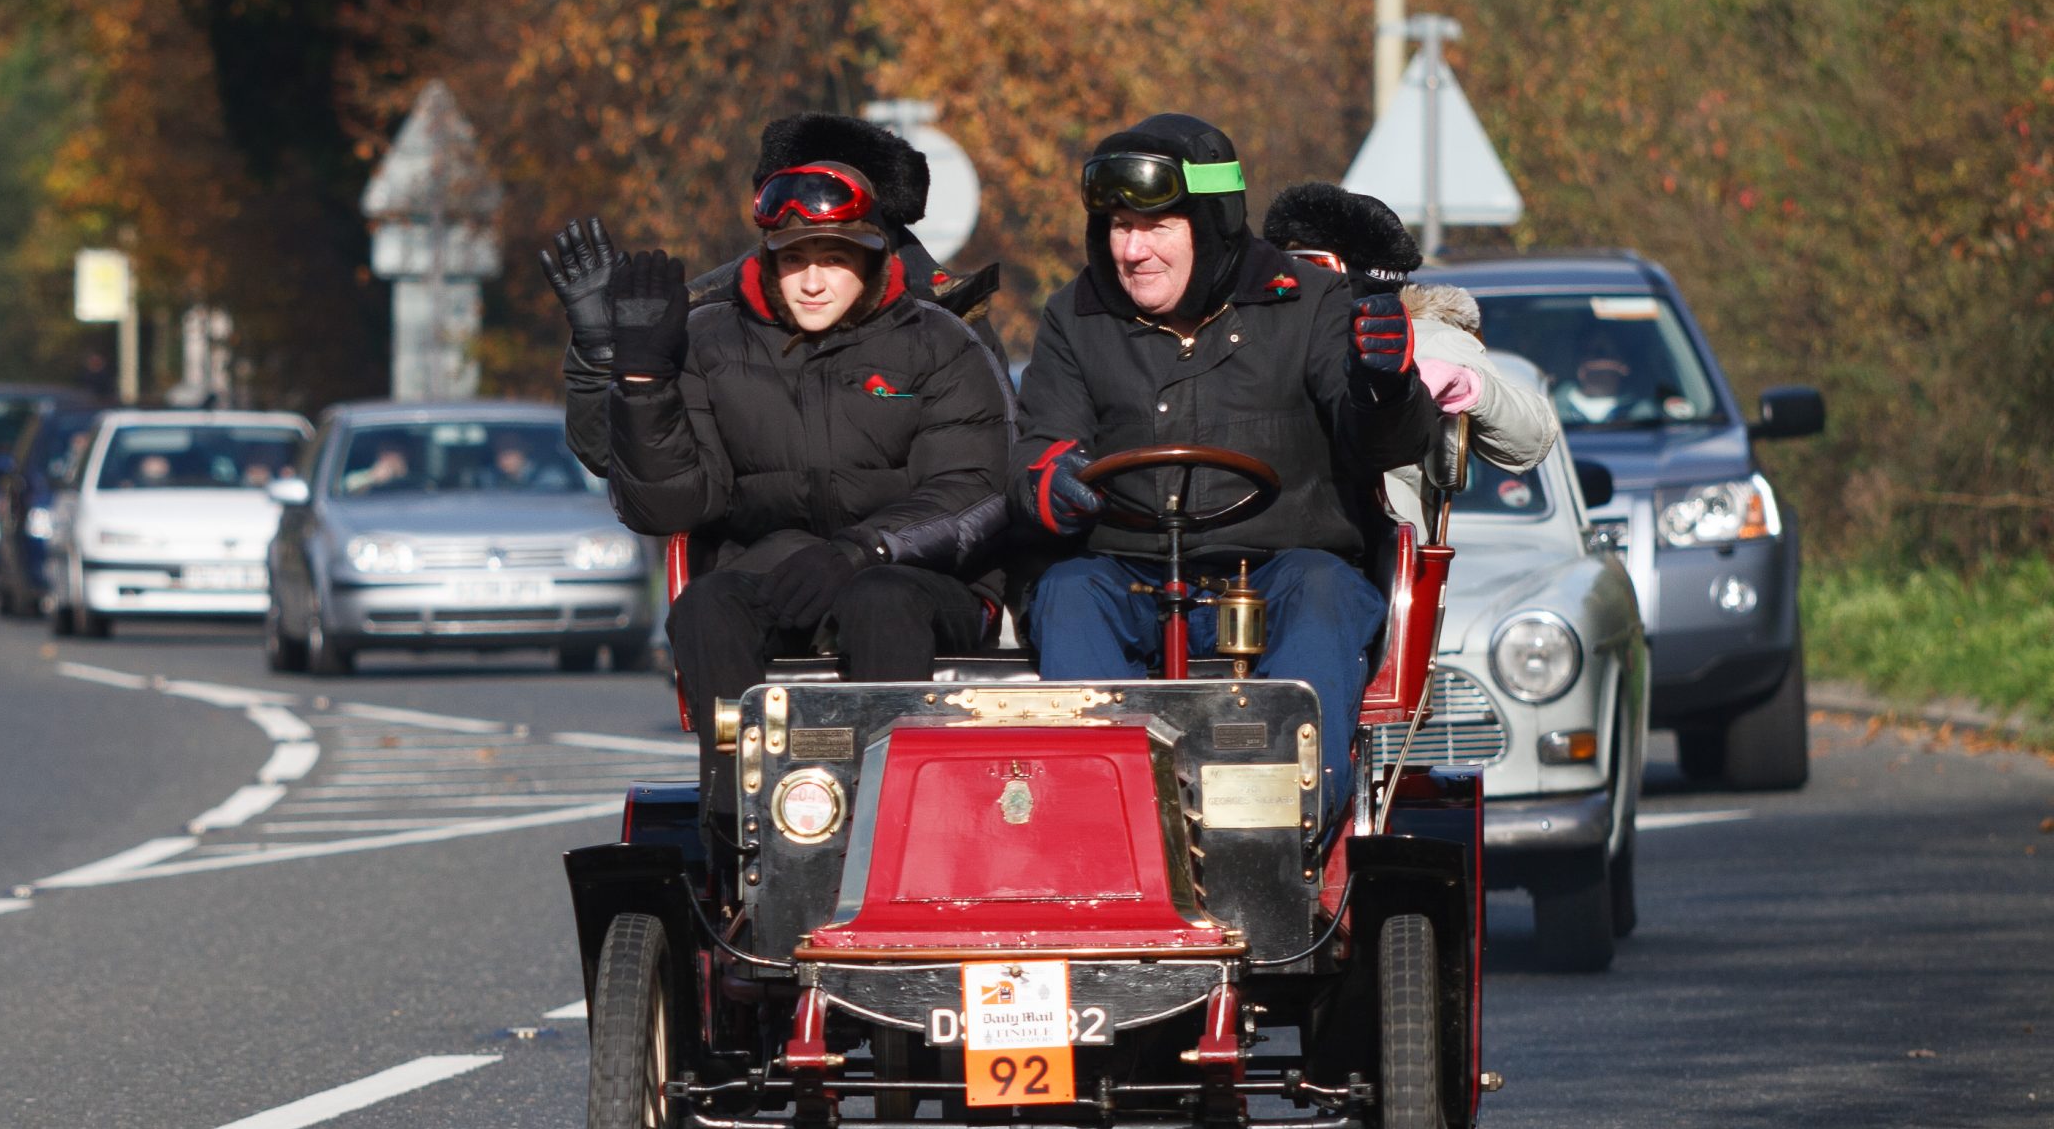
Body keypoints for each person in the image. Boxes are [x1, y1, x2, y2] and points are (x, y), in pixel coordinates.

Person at [1012, 114, 1440, 816]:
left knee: (1327, 593)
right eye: (1118, 227)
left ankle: (1278, 819)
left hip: (1281, 572)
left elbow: (1384, 441)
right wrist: (1050, 481)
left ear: (1212, 224)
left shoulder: (1309, 302)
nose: (1132, 250)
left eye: (1154, 228)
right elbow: (1039, 447)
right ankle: (1105, 817)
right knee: (1066, 593)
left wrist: (1385, 385)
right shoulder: (1074, 316)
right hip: (1127, 572)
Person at [602, 159, 1011, 843]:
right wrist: (641, 382)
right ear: (768, 262)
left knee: (877, 599)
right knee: (705, 605)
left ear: (874, 257)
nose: (813, 281)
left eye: (835, 258)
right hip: (777, 568)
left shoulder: (941, 343)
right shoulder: (712, 340)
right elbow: (671, 503)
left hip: (921, 575)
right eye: (795, 260)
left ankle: (895, 829)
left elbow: (975, 491)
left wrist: (864, 549)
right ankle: (744, 835)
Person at [544, 111, 1007, 482]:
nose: (811, 279)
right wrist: (604, 354)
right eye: (792, 248)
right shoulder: (714, 326)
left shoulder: (947, 328)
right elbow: (630, 463)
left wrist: (872, 554)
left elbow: (980, 477)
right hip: (753, 575)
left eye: (835, 251)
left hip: (902, 567)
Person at [1260, 181, 1558, 523]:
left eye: (1309, 268)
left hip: (1373, 549)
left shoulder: (1423, 339)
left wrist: (1467, 387)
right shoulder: (1255, 332)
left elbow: (1531, 440)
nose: (1289, 282)